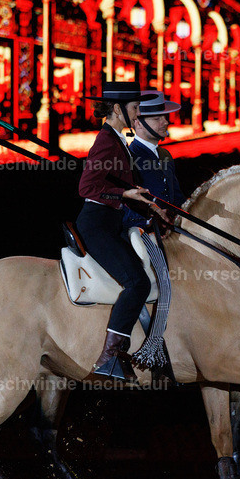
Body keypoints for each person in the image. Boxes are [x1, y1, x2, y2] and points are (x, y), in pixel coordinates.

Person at [77, 81, 169, 378]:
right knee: (138, 283)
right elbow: (87, 187)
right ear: (117, 109)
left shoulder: (117, 140)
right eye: (135, 109)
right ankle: (109, 357)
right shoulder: (106, 141)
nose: (138, 113)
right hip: (97, 225)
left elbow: (122, 186)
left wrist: (149, 206)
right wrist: (125, 196)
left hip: (113, 222)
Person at [122, 91, 185, 232]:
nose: (165, 122)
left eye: (164, 117)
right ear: (138, 123)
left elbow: (178, 198)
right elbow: (119, 205)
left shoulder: (165, 155)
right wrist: (149, 221)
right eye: (157, 118)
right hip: (144, 234)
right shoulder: (128, 157)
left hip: (173, 234)